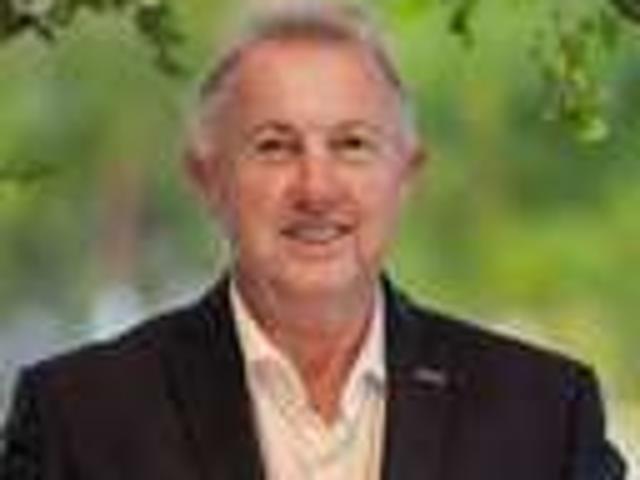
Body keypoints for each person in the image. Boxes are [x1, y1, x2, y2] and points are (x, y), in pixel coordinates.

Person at [0, 4, 627, 479]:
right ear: (207, 178)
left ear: (406, 175)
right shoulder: (75, 420)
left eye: (352, 144)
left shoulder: (545, 415)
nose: (316, 188)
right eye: (274, 146)